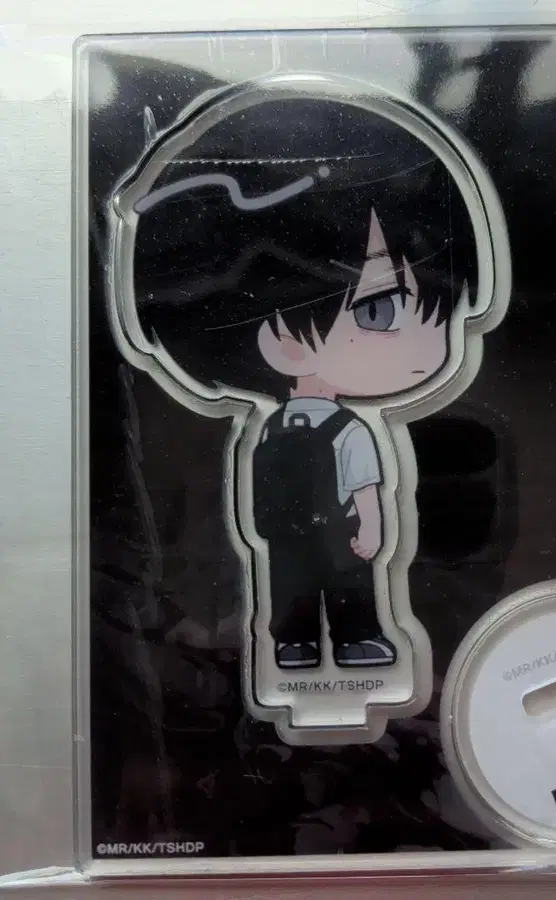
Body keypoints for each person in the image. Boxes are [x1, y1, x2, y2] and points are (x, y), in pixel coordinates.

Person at [130, 96, 477, 670]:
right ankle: (299, 642)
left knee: (344, 584)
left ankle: (345, 639)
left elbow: (360, 489)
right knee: (300, 587)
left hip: (327, 534)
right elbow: (286, 490)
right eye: (381, 312)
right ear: (282, 343)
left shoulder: (324, 430)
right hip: (292, 537)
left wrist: (367, 527)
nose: (438, 337)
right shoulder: (286, 433)